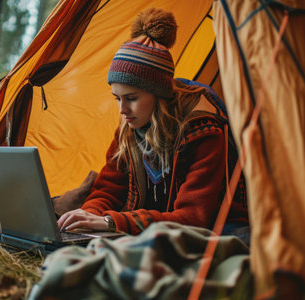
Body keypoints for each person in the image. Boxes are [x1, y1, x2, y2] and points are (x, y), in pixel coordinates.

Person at [57, 8, 248, 236]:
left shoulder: (204, 132)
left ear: (158, 94)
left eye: (132, 98)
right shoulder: (130, 128)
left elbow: (192, 218)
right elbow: (108, 189)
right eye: (117, 98)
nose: (123, 110)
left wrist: (111, 222)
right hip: (154, 225)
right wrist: (88, 215)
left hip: (215, 228)